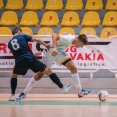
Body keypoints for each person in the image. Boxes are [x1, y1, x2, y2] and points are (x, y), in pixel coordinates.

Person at [16, 33, 93, 101]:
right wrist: (55, 48)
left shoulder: (73, 40)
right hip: (50, 53)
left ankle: (80, 92)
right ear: (77, 40)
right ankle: (24, 93)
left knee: (73, 68)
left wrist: (57, 49)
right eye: (82, 44)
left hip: (59, 53)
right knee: (39, 75)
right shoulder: (68, 39)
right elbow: (54, 35)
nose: (81, 46)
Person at [8, 27, 72, 101]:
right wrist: (45, 45)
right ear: (19, 32)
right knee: (49, 71)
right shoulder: (23, 36)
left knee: (13, 75)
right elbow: (36, 39)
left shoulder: (9, 43)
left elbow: (19, 53)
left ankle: (12, 96)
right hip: (31, 60)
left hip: (19, 62)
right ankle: (63, 88)